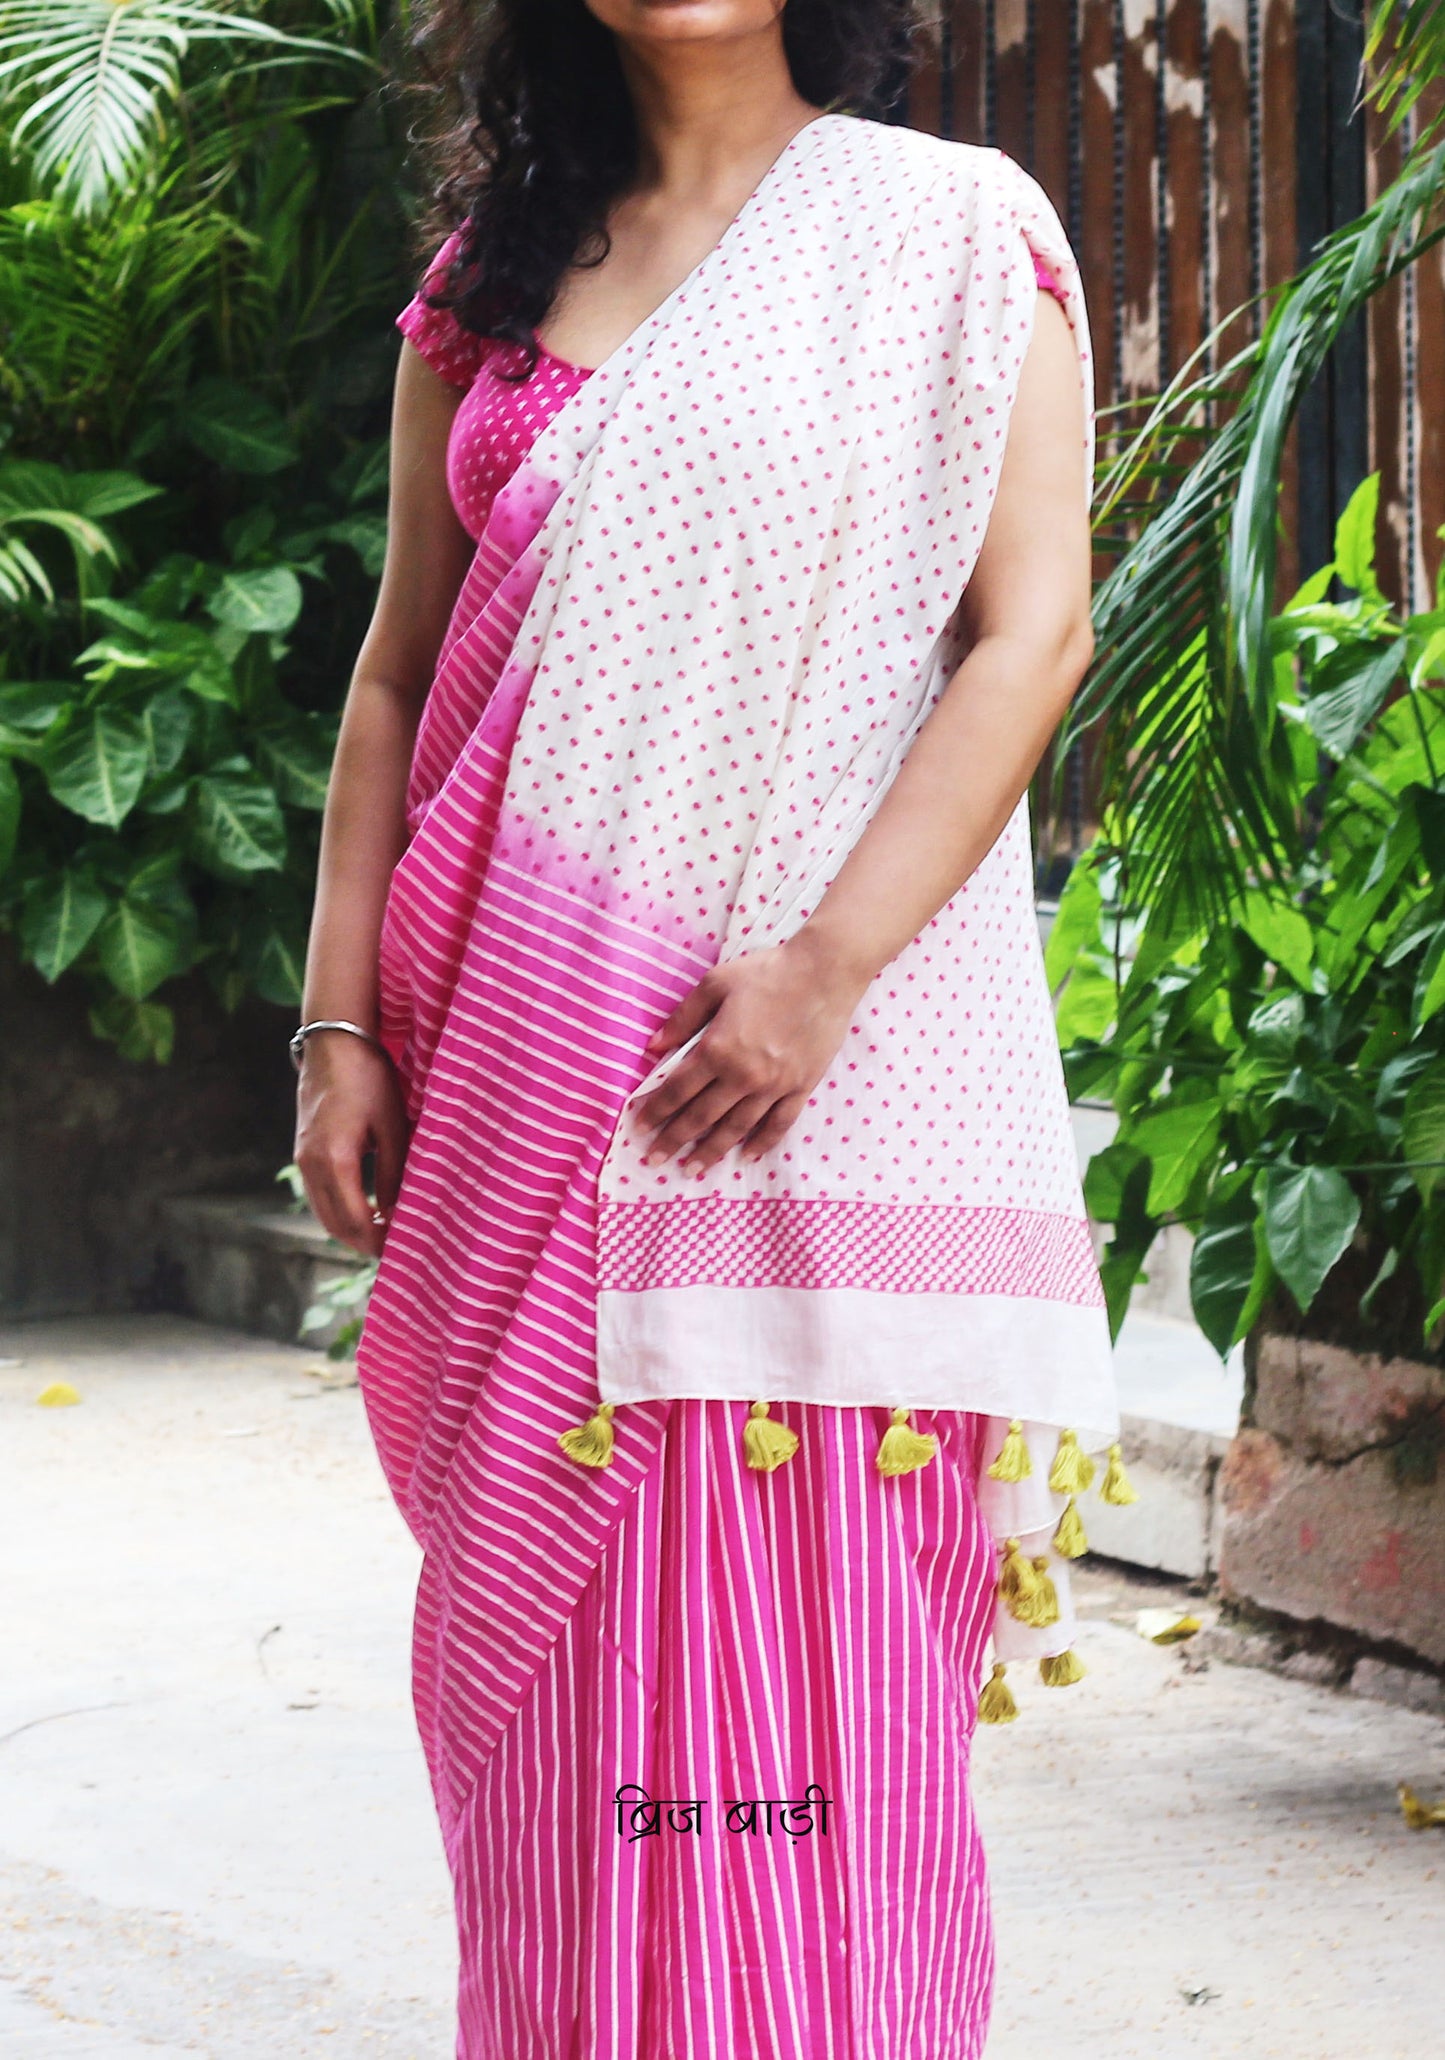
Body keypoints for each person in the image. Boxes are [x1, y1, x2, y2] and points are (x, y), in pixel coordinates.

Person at [294, 2, 1129, 2053]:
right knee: (571, 1805)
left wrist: (827, 969)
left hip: (800, 1140)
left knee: (820, 1786)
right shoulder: (484, 293)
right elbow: (398, 675)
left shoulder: (948, 233)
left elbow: (1034, 631)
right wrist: (334, 1022)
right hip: (519, 1096)